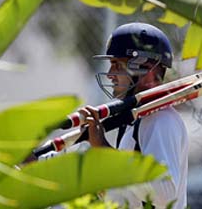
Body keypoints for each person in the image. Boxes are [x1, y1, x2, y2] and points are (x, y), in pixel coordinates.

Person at [78, 22, 189, 209]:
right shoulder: (136, 120)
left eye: (117, 65)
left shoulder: (160, 120)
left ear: (146, 70)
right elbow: (126, 192)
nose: (111, 74)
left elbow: (165, 195)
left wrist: (105, 150)